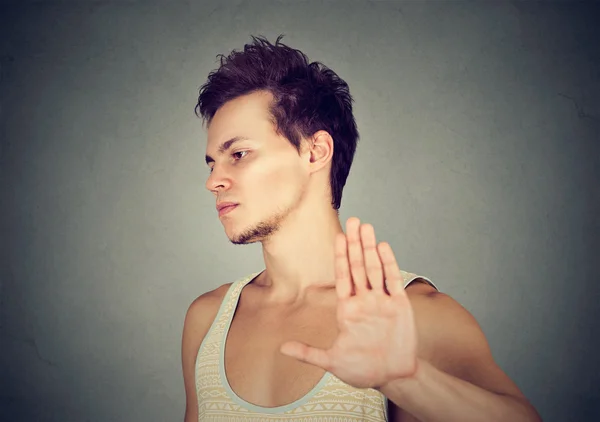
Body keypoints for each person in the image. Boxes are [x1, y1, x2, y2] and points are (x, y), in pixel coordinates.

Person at [181, 35, 541, 422]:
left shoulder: (413, 314)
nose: (214, 181)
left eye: (238, 154)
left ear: (315, 151)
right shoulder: (208, 319)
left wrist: (407, 380)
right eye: (211, 163)